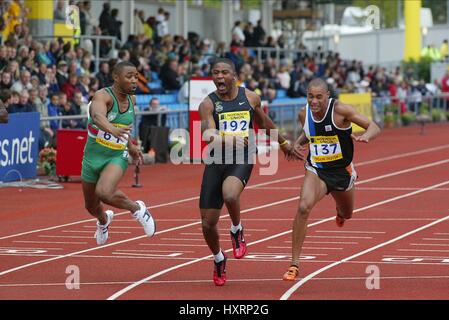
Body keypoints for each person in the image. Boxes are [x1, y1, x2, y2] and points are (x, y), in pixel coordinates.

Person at [198, 58, 302, 286]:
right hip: (216, 160)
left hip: (242, 157)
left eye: (224, 72)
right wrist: (229, 138)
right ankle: (218, 258)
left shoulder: (251, 98)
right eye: (215, 73)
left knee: (231, 194)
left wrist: (283, 144)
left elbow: (264, 122)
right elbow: (208, 134)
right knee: (207, 223)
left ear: (234, 76)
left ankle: (237, 229)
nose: (219, 77)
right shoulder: (207, 104)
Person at [282, 78, 381, 281]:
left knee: (348, 213)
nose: (314, 101)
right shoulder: (304, 114)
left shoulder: (341, 111)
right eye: (310, 96)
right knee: (303, 207)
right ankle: (294, 264)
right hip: (317, 169)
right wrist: (297, 143)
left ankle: (340, 213)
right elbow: (310, 133)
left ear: (328, 95)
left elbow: (374, 125)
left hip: (342, 172)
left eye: (319, 97)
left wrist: (367, 136)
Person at [81, 61, 156, 246]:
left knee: (104, 192)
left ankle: (138, 209)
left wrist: (130, 146)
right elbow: (98, 116)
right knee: (91, 205)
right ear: (116, 77)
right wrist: (110, 129)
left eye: (136, 77)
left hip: (116, 155)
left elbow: (124, 129)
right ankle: (103, 221)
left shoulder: (133, 99)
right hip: (92, 157)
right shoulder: (103, 96)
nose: (134, 81)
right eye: (129, 76)